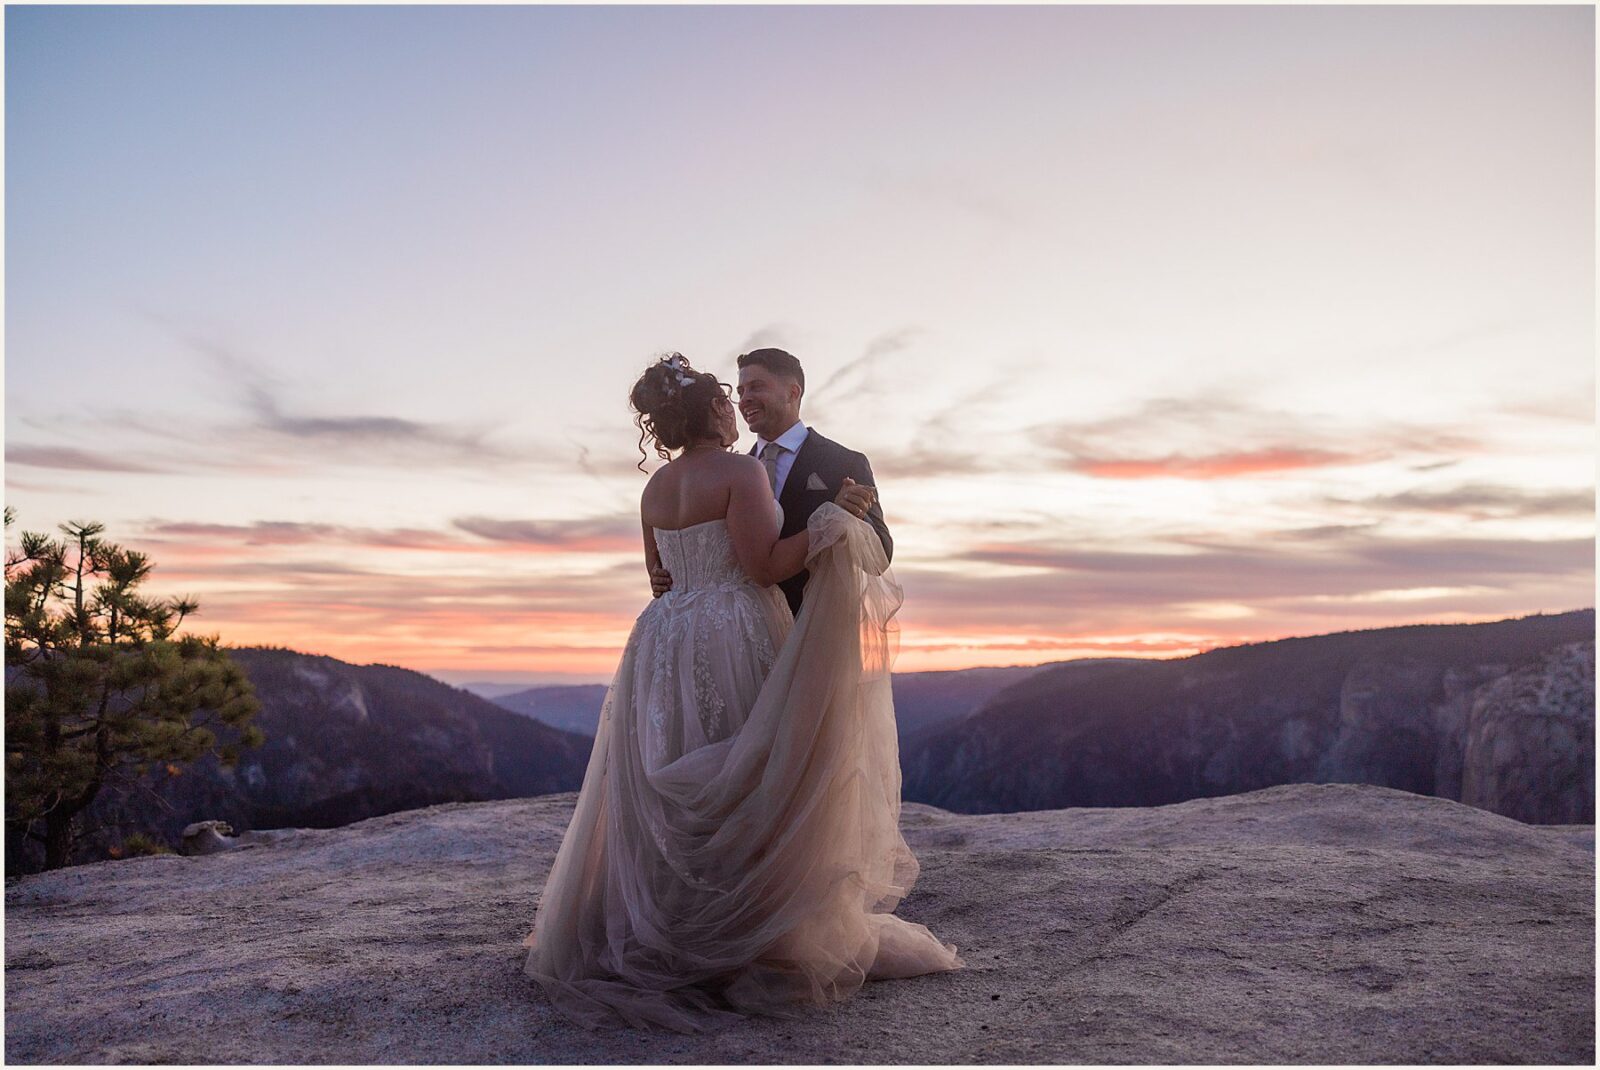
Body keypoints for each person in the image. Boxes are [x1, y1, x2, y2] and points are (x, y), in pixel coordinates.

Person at [522, 352, 964, 1033]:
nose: (739, 404)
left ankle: (670, 923)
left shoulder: (653, 490)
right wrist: (826, 528)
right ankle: (749, 932)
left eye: (750, 390)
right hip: (734, 633)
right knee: (752, 774)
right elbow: (761, 564)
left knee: (674, 774)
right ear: (711, 412)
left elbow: (658, 580)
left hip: (662, 644)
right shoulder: (739, 470)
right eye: (730, 397)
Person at [649, 347, 890, 618]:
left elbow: (880, 559)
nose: (745, 400)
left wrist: (851, 517)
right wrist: (667, 573)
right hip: (739, 629)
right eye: (740, 392)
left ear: (793, 392)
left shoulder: (844, 462)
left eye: (756, 387)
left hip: (815, 627)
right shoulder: (730, 472)